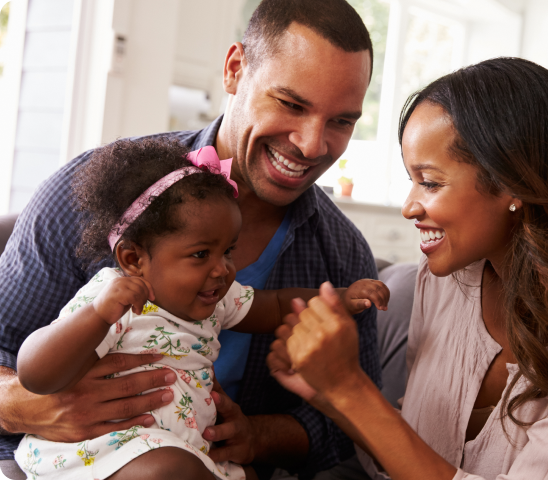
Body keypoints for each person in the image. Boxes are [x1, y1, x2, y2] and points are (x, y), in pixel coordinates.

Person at [267, 57, 548, 480]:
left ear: (514, 182)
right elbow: (408, 457)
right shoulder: (446, 280)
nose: (410, 207)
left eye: (430, 182)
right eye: (411, 181)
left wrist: (351, 390)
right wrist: (325, 391)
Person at [0, 1, 381, 478]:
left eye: (341, 121)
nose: (311, 144)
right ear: (235, 70)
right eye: (291, 104)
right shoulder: (89, 200)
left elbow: (355, 427)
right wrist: (24, 403)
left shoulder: (342, 256)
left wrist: (260, 436)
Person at [13, 139, 388, 480]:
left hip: (188, 450)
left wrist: (338, 296)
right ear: (133, 258)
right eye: (200, 254)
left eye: (227, 251)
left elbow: (276, 305)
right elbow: (34, 374)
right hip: (109, 455)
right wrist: (96, 315)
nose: (222, 269)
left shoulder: (216, 300)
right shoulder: (112, 301)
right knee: (169, 468)